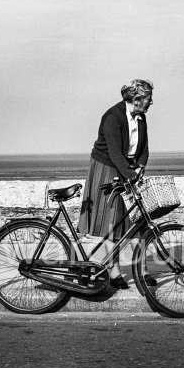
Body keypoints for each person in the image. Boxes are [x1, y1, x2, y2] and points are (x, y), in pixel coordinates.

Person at [77, 79, 155, 289]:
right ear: (137, 99)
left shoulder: (141, 118)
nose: (151, 103)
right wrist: (131, 175)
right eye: (148, 99)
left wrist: (140, 166)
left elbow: (144, 148)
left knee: (139, 221)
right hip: (108, 167)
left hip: (127, 168)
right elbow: (114, 153)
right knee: (114, 222)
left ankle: (142, 269)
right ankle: (114, 272)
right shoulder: (113, 117)